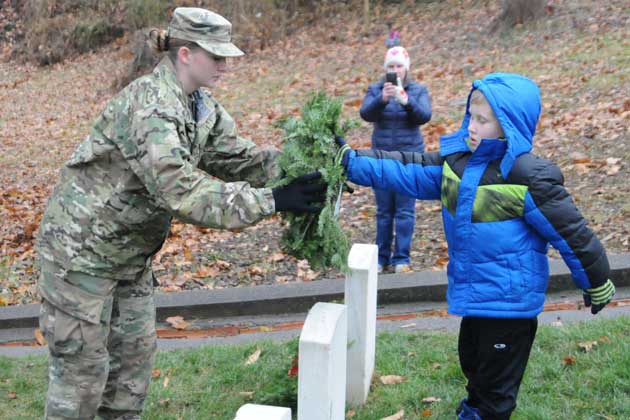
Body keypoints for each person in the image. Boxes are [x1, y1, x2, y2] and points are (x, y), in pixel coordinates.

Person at [35, 8, 325, 420]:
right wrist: (273, 200)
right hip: (80, 259)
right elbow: (179, 190)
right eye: (217, 56)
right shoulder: (151, 106)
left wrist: (310, 165)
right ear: (185, 53)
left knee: (129, 379)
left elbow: (242, 159)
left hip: (128, 259)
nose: (225, 65)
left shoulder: (199, 106)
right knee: (80, 382)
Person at [336, 72, 616, 419]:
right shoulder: (456, 165)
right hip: (475, 296)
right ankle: (476, 406)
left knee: (496, 386)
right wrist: (351, 161)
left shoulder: (528, 177)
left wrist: (596, 278)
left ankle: (485, 412)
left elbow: (572, 233)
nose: (471, 126)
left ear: (509, 126)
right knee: (473, 361)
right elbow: (404, 169)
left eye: (483, 121)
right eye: (471, 116)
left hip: (510, 304)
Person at [359, 46, 432, 273]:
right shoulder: (376, 89)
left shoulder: (418, 90)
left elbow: (424, 116)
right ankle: (381, 258)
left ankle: (401, 258)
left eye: (399, 65)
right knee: (383, 211)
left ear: (406, 68)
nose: (395, 70)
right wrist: (382, 99)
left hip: (409, 159)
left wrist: (406, 101)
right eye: (391, 66)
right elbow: (365, 114)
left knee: (404, 210)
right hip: (381, 158)